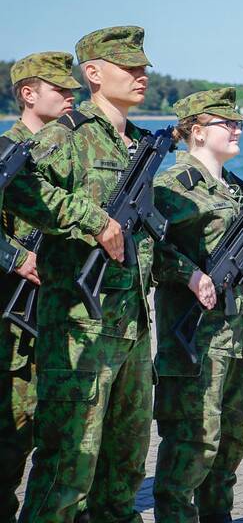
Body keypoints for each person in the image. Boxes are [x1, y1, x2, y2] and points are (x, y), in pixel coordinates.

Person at [8, 26, 157, 521]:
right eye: (128, 66)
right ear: (92, 74)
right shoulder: (66, 134)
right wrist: (92, 219)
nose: (141, 74)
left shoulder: (137, 143)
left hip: (132, 327)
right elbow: (17, 191)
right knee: (66, 472)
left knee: (124, 470)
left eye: (142, 67)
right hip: (79, 330)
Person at [151, 88, 243, 522]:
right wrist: (190, 273)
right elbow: (146, 248)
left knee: (233, 439)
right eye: (227, 123)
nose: (238, 128)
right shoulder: (172, 187)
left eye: (237, 122)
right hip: (195, 338)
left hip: (236, 334)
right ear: (197, 132)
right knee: (193, 442)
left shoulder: (235, 188)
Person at [0, 52, 81, 522]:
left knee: (58, 430)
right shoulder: (7, 149)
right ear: (29, 94)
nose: (70, 95)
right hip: (15, 317)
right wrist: (17, 257)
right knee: (12, 433)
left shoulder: (70, 149)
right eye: (59, 89)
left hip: (60, 313)